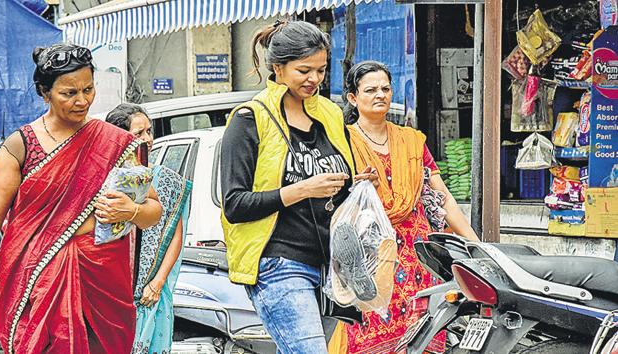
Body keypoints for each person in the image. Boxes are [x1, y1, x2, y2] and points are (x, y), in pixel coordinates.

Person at [0, 44, 162, 354]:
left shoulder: (113, 141)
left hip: (104, 284)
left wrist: (131, 210)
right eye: (69, 93)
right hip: (39, 286)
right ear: (44, 92)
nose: (82, 100)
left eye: (88, 89)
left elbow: (154, 210)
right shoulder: (20, 147)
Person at [220, 20, 377, 354]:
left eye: (320, 70)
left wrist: (354, 184)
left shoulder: (331, 115)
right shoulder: (250, 118)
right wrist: (303, 189)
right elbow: (235, 204)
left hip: (333, 265)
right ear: (277, 67)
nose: (314, 79)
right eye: (304, 70)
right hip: (278, 262)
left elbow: (336, 189)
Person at [330, 61, 479, 354]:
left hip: (417, 256)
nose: (380, 95)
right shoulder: (342, 142)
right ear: (352, 97)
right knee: (369, 333)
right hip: (370, 257)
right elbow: (332, 199)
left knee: (421, 335)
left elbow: (443, 197)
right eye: (370, 89)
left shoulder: (411, 140)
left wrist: (476, 245)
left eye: (385, 88)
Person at [106, 103, 192, 354]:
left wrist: (158, 281)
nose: (147, 139)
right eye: (138, 134)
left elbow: (174, 233)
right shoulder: (107, 179)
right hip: (114, 289)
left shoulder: (164, 178)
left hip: (149, 292)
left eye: (149, 131)